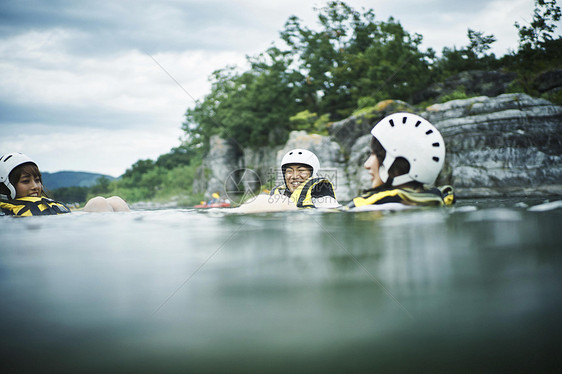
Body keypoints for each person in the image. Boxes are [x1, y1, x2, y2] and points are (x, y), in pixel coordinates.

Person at [345, 112, 455, 211]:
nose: (367, 165)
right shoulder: (438, 200)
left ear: (396, 162)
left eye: (375, 154)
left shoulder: (373, 207)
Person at [0, 152, 129, 216]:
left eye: (37, 180)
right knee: (98, 202)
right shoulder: (7, 213)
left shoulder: (42, 203)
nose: (35, 186)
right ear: (6, 187)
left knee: (116, 200)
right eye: (26, 181)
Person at [270, 148, 339, 209]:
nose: (294, 176)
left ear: (313, 173)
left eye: (301, 171)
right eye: (289, 171)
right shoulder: (277, 198)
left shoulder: (325, 202)